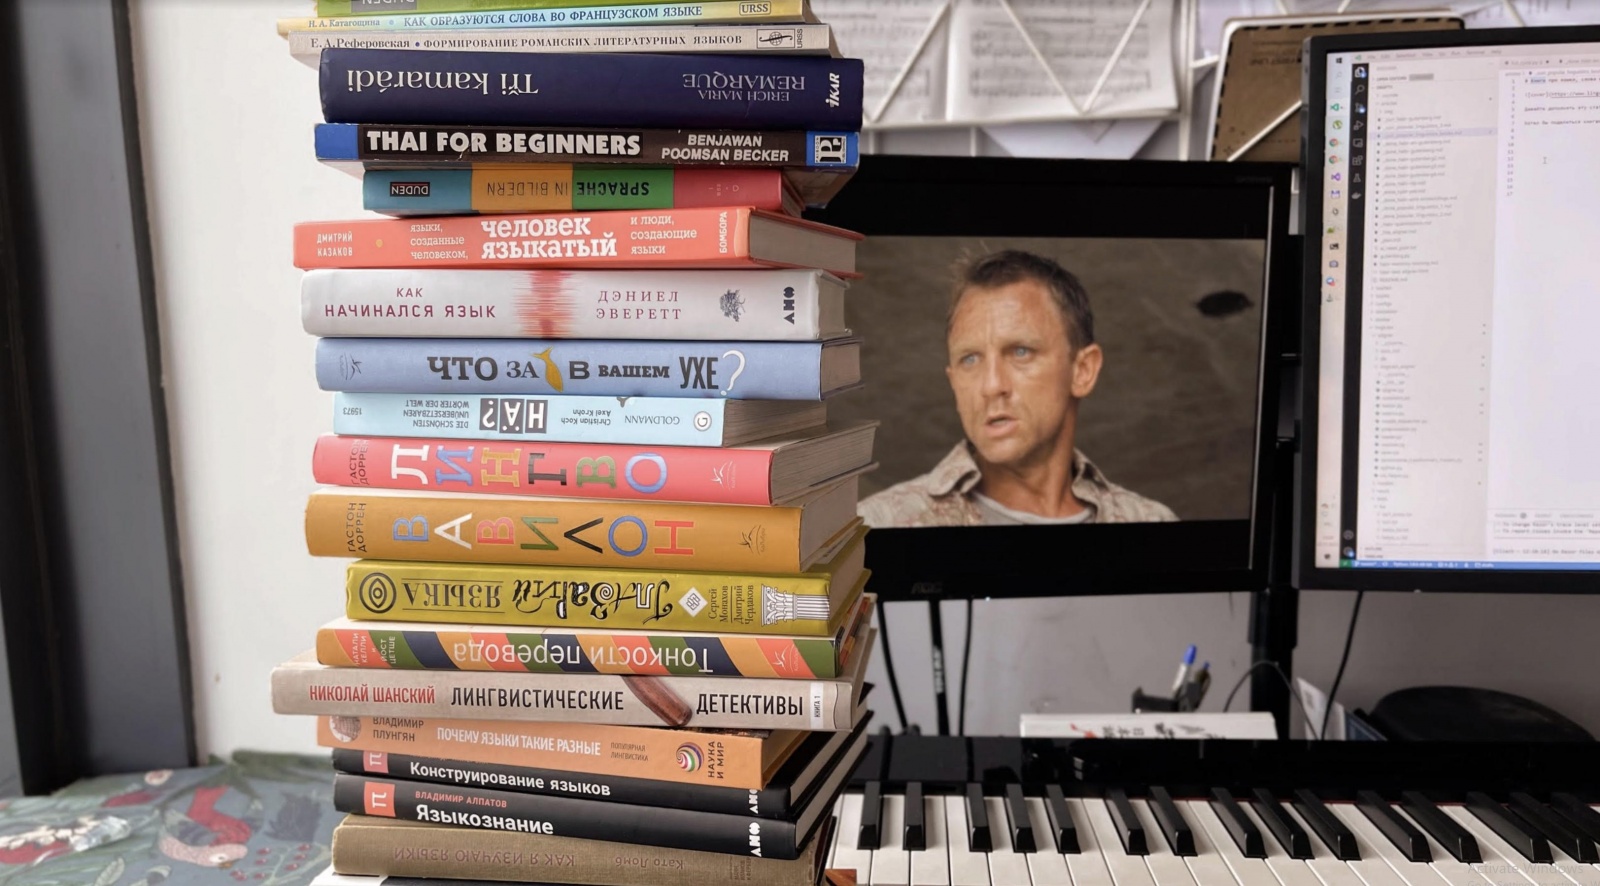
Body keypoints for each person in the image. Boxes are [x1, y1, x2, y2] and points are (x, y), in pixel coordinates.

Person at [859, 249, 1176, 527]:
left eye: (1021, 352)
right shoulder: (876, 526)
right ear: (953, 381)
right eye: (970, 359)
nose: (991, 385)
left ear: (1083, 371)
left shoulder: (1151, 522)